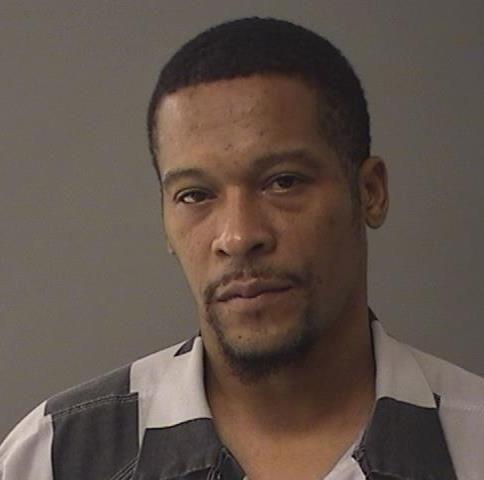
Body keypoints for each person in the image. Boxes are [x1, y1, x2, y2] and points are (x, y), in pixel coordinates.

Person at [1, 16, 483, 480]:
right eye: (195, 195)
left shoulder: (472, 444)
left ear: (370, 192)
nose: (237, 236)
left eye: (283, 182)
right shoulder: (51, 460)